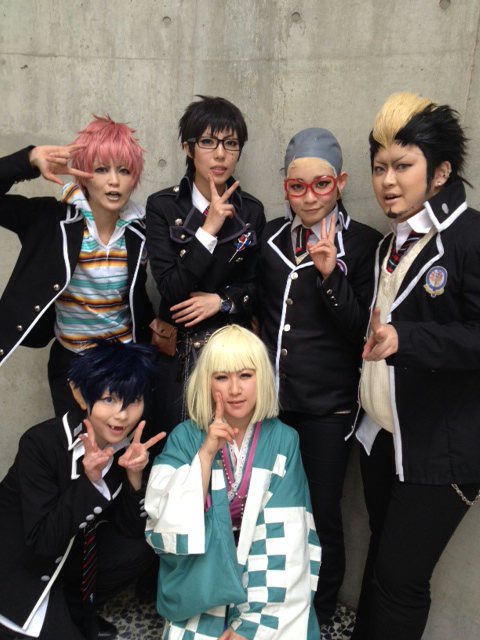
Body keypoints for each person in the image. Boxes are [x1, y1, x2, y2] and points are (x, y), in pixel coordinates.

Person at [352, 92, 480, 640]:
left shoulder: (471, 236)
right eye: (380, 167)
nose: (387, 181)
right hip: (383, 438)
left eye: (403, 166)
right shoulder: (391, 244)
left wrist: (409, 339)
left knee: (401, 580)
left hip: (440, 448)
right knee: (381, 562)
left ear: (441, 171)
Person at [258, 128, 381, 626]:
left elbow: (362, 332)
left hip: (329, 409)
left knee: (321, 512)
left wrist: (332, 277)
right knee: (272, 509)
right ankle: (276, 601)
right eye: (297, 186)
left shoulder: (365, 244)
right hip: (272, 404)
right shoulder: (269, 238)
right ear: (285, 187)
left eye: (321, 184)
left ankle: (320, 611)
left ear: (341, 182)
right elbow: (257, 307)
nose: (309, 197)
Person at [145, 325, 320, 639]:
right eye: (222, 377)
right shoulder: (185, 437)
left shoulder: (284, 440)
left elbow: (287, 538)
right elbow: (165, 519)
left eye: (246, 375)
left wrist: (250, 626)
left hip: (266, 575)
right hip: (201, 574)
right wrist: (206, 452)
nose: (235, 389)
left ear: (261, 378)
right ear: (207, 381)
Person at [0, 340, 166, 640]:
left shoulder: (125, 448)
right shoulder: (41, 444)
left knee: (142, 545)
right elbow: (42, 542)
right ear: (81, 395)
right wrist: (89, 482)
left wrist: (134, 476)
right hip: (21, 569)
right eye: (109, 399)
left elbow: (131, 530)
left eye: (134, 400)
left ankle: (79, 605)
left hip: (69, 562)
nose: (122, 415)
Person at [0, 116, 153, 416]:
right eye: (101, 169)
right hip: (72, 362)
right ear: (83, 174)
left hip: (125, 361)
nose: (114, 181)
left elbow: (134, 294)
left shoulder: (141, 231)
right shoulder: (50, 220)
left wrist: (151, 325)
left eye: (124, 170)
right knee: (77, 443)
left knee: (124, 445)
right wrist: (29, 160)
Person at [146, 96, 266, 434]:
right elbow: (171, 288)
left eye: (231, 143)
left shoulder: (252, 211)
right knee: (178, 450)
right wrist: (208, 230)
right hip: (179, 355)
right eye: (208, 142)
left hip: (231, 355)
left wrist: (222, 301)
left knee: (229, 449)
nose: (220, 154)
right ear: (188, 148)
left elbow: (259, 286)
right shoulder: (163, 206)